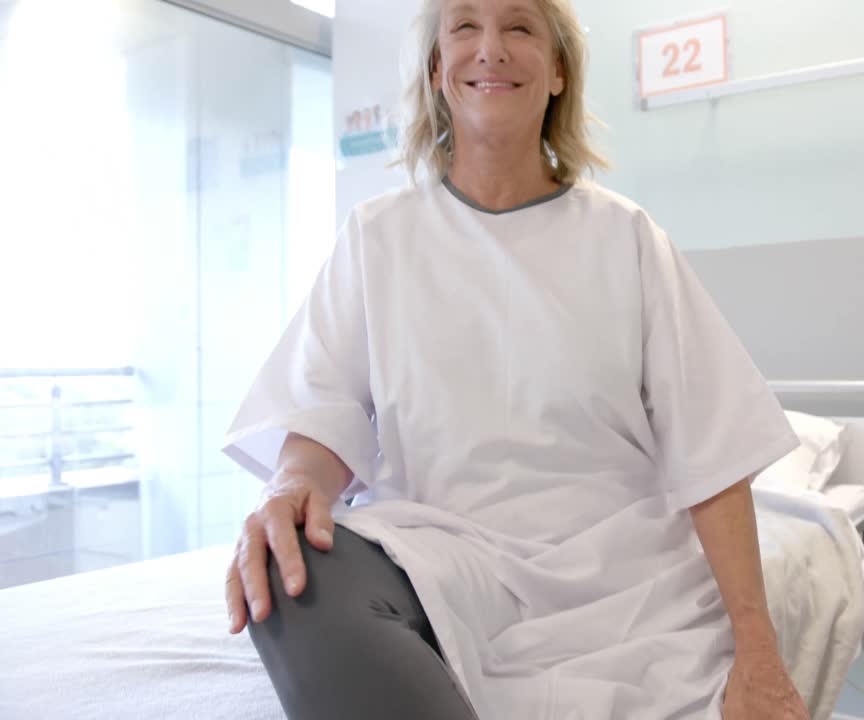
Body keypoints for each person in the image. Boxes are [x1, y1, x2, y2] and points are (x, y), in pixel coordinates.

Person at [222, 0, 809, 717]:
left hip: (616, 572)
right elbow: (322, 411)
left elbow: (713, 452)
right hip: (442, 557)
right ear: (438, 70)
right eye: (464, 27)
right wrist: (288, 484)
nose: (490, 49)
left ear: (559, 70)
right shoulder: (379, 238)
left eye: (521, 27)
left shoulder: (626, 239)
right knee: (288, 572)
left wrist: (759, 651)